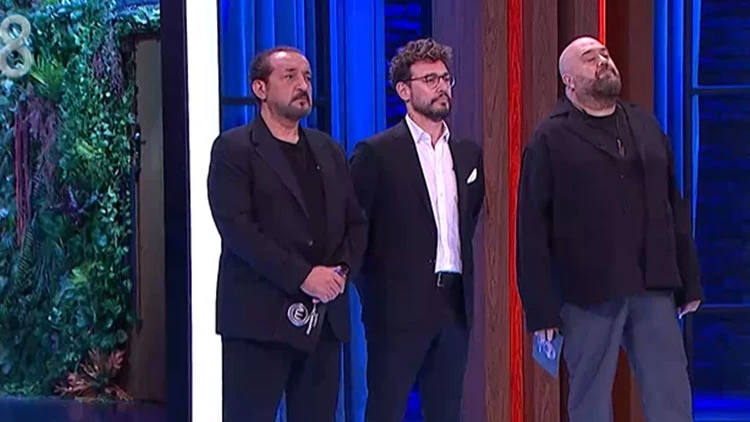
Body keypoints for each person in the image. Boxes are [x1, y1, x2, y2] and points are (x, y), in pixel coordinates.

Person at [516, 36, 703, 422]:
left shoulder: (644, 124)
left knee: (671, 393)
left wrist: (689, 278)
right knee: (591, 399)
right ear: (569, 80)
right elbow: (532, 229)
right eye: (590, 58)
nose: (603, 60)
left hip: (653, 283)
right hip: (588, 291)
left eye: (605, 54)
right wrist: (540, 309)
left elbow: (673, 204)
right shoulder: (550, 137)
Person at [207, 46, 367, 422]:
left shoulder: (328, 150)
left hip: (323, 321)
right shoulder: (233, 149)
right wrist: (304, 276)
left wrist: (340, 273)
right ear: (260, 88)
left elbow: (355, 222)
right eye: (290, 76)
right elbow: (238, 229)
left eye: (307, 77)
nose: (303, 85)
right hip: (258, 321)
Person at [349, 38, 485, 422]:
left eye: (445, 78)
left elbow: (467, 221)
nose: (442, 87)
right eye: (430, 79)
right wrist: (378, 297)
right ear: (404, 91)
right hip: (395, 311)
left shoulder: (468, 153)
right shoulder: (376, 153)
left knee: (446, 412)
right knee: (386, 410)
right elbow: (355, 232)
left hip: (453, 306)